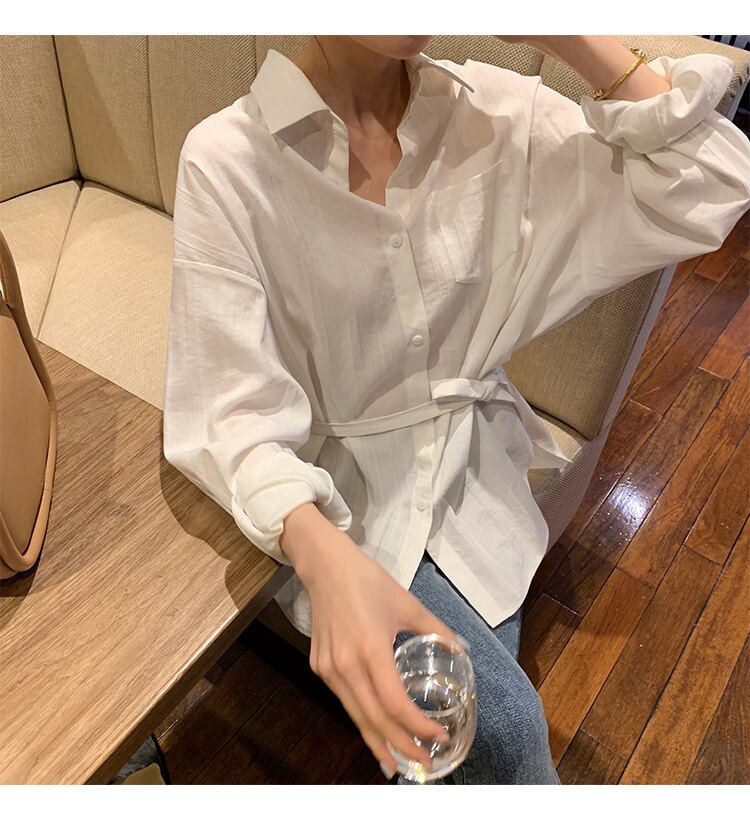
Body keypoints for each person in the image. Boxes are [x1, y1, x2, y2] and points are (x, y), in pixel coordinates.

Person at [162, 35, 750, 784]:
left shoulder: (495, 113)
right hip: (340, 507)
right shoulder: (228, 158)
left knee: (469, 738)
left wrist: (567, 34)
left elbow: (714, 180)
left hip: (477, 487)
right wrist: (318, 553)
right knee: (502, 734)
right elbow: (226, 409)